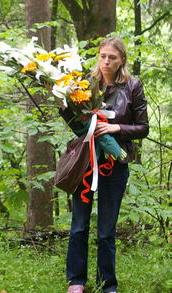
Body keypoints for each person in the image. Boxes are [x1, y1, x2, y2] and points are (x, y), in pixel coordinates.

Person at [60, 37, 149, 293]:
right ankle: (76, 281)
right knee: (79, 226)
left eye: (112, 57)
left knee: (107, 230)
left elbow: (143, 128)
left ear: (122, 59)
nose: (106, 61)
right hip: (86, 162)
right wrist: (64, 107)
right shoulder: (86, 85)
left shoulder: (133, 86)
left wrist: (116, 127)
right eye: (103, 56)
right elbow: (77, 127)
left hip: (115, 164)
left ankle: (107, 284)